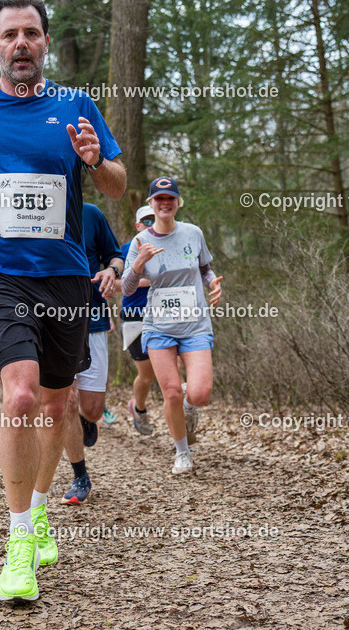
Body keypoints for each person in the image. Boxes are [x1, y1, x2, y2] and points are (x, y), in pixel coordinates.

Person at [0, 0, 125, 601]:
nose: (20, 44)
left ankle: (40, 508)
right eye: (9, 34)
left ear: (43, 43)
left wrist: (96, 161)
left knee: (56, 405)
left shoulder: (75, 104)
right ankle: (18, 543)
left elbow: (117, 186)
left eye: (31, 34)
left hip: (65, 275)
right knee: (19, 392)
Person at [122, 177, 222, 475]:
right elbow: (127, 288)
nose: (165, 203)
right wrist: (138, 263)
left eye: (170, 198)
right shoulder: (139, 242)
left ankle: (191, 408)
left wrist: (212, 282)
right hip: (158, 326)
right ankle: (182, 453)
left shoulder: (193, 233)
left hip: (195, 324)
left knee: (200, 394)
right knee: (171, 393)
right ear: (151, 204)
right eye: (159, 199)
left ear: (178, 203)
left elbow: (204, 269)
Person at [61, 202, 124, 505]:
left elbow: (117, 255)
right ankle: (79, 476)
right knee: (66, 400)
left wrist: (112, 271)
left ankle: (90, 419)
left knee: (92, 408)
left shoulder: (91, 213)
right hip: (55, 321)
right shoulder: (35, 209)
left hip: (94, 318)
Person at [120, 205, 157, 436]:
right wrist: (151, 280)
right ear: (137, 226)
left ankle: (181, 419)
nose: (151, 225)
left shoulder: (167, 246)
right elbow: (117, 285)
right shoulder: (126, 249)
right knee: (147, 375)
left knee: (176, 367)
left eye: (154, 220)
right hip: (135, 316)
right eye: (146, 221)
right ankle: (139, 407)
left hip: (163, 313)